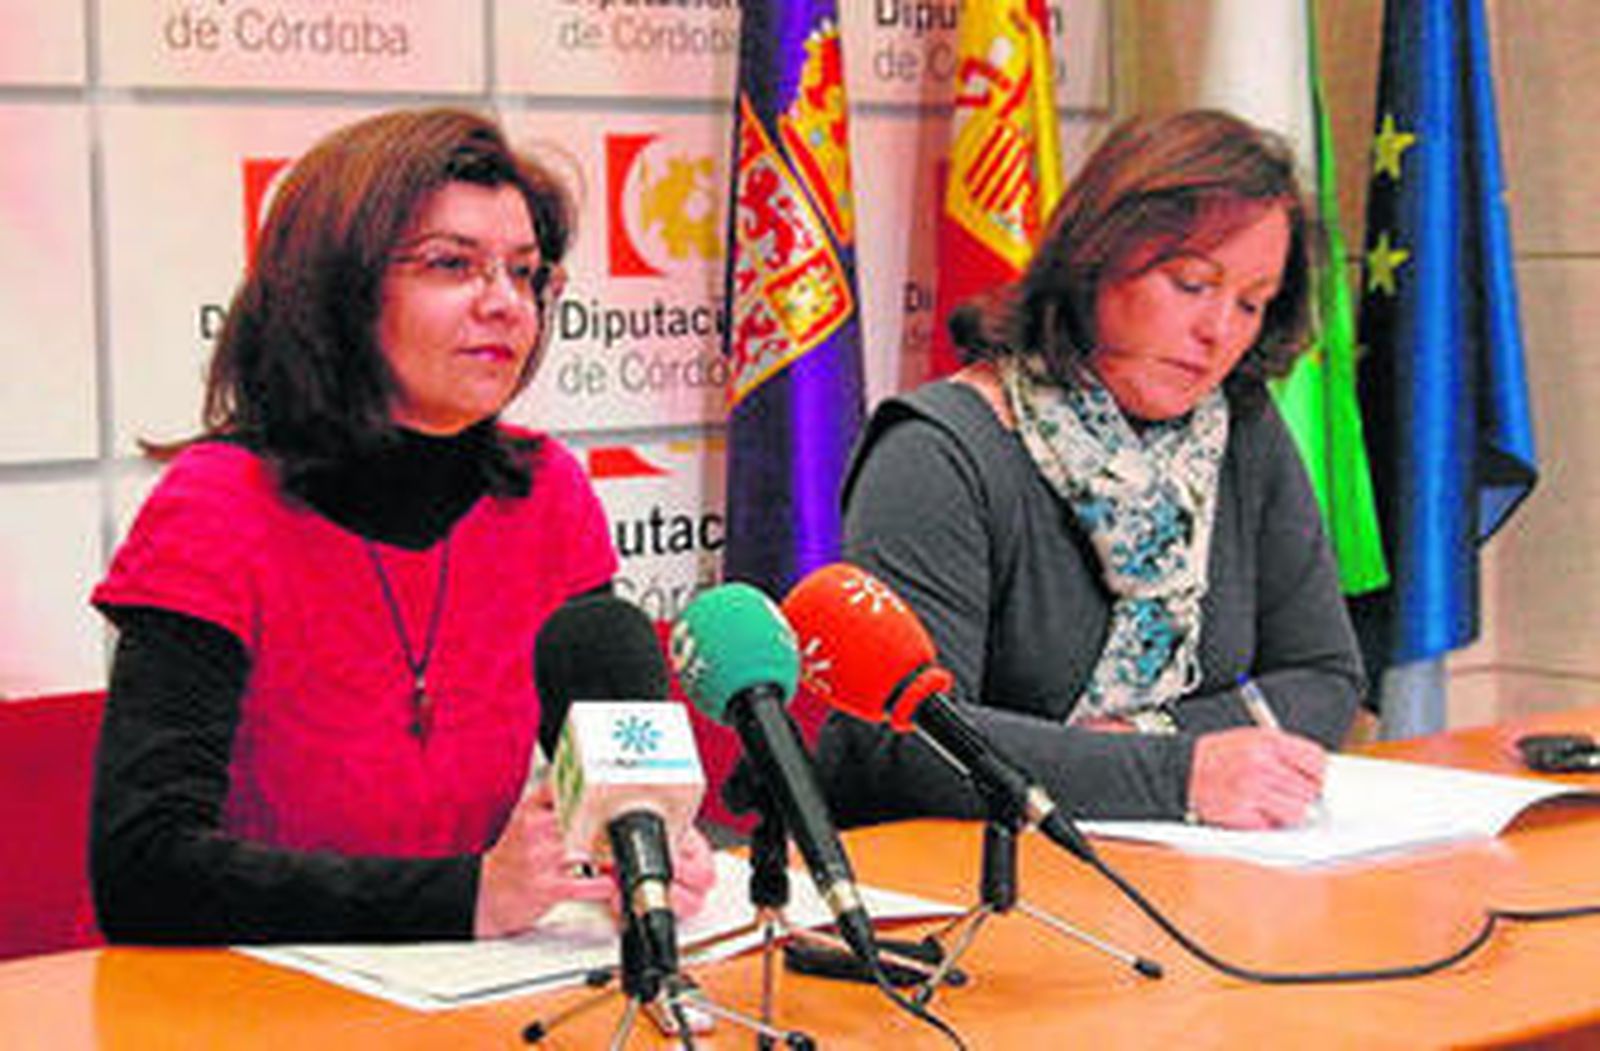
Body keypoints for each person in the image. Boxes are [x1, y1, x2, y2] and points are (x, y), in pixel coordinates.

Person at [89, 107, 715, 943]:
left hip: (475, 996)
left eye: (526, 273)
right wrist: (464, 896)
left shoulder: (547, 495)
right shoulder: (215, 506)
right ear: (335, 292)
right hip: (247, 998)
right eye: (453, 265)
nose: (505, 304)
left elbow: (610, 778)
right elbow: (144, 871)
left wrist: (650, 843)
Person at [817, 110, 1363, 831]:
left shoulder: (1242, 428)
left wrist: (1141, 738)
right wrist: (1181, 772)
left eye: (1252, 303)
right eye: (1192, 283)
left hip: (1186, 861)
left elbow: (1325, 675)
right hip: (956, 878)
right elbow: (907, 738)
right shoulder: (938, 450)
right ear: (1095, 256)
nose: (1219, 331)